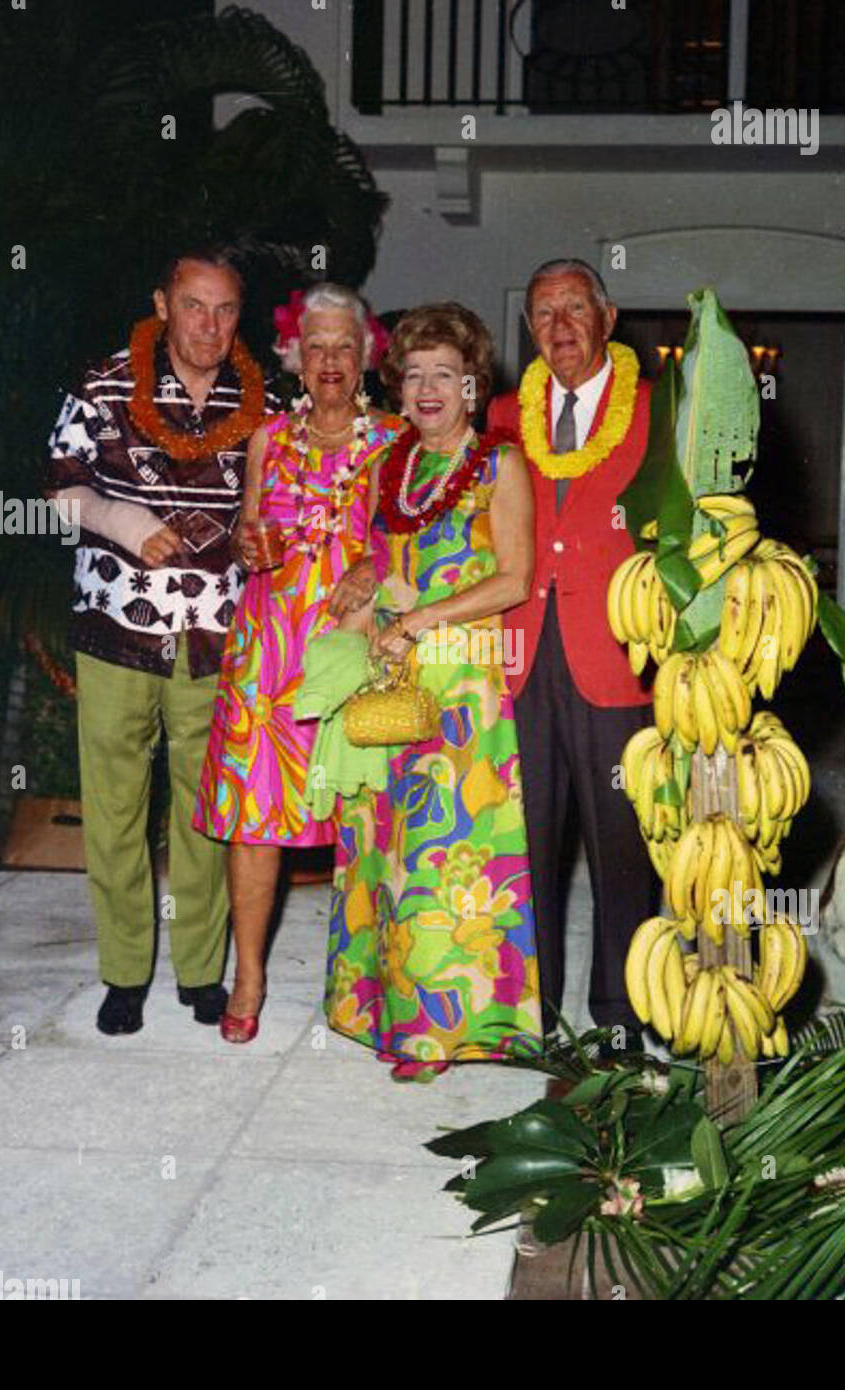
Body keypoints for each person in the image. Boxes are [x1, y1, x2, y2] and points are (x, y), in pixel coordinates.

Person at [45, 246, 263, 1035]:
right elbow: (60, 490)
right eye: (195, 305)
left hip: (217, 633)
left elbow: (282, 499)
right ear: (163, 305)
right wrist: (125, 523)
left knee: (208, 810)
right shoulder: (103, 382)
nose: (209, 325)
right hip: (115, 626)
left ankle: (203, 973)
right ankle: (124, 974)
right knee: (114, 808)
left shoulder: (262, 395)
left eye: (226, 309)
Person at [324, 302, 543, 1082]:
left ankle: (441, 1033)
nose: (425, 389)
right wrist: (359, 588)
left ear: (474, 387)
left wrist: (422, 617)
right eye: (412, 375)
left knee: (446, 857)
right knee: (383, 849)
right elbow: (384, 558)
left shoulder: (498, 466)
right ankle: (376, 1010)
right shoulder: (394, 466)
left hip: (461, 688)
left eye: (443, 375)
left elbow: (514, 578)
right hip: (392, 673)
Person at [193, 284, 401, 1043]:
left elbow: (407, 542)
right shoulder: (268, 441)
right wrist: (247, 543)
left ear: (367, 355)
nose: (330, 361)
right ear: (294, 356)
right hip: (267, 648)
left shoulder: (395, 440)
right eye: (315, 347)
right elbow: (248, 530)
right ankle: (247, 975)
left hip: (349, 649)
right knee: (255, 820)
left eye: (344, 346)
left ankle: (371, 974)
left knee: (368, 815)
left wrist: (373, 572)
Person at [487, 258, 659, 1053]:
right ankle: (529, 1007)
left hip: (617, 657)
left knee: (623, 841)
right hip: (517, 652)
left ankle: (621, 1014)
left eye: (573, 308)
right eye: (541, 312)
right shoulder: (498, 416)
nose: (558, 326)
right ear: (528, 331)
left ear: (607, 315)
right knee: (523, 841)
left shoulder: (661, 415)